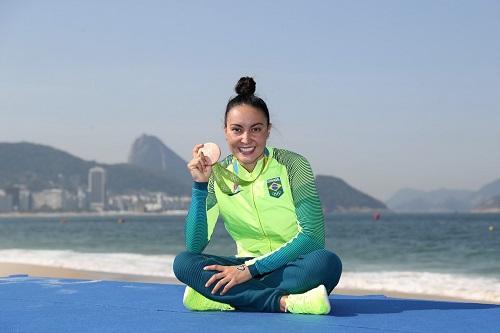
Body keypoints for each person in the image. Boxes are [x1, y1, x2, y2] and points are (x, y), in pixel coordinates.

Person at [173, 76, 342, 314]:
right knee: (184, 263)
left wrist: (250, 272)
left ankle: (223, 297)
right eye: (237, 129)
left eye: (256, 129)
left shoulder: (293, 165)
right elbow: (194, 245)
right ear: (225, 131)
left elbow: (313, 238)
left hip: (288, 265)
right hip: (244, 264)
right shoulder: (218, 176)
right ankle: (284, 302)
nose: (246, 139)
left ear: (268, 130)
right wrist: (200, 186)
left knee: (326, 263)